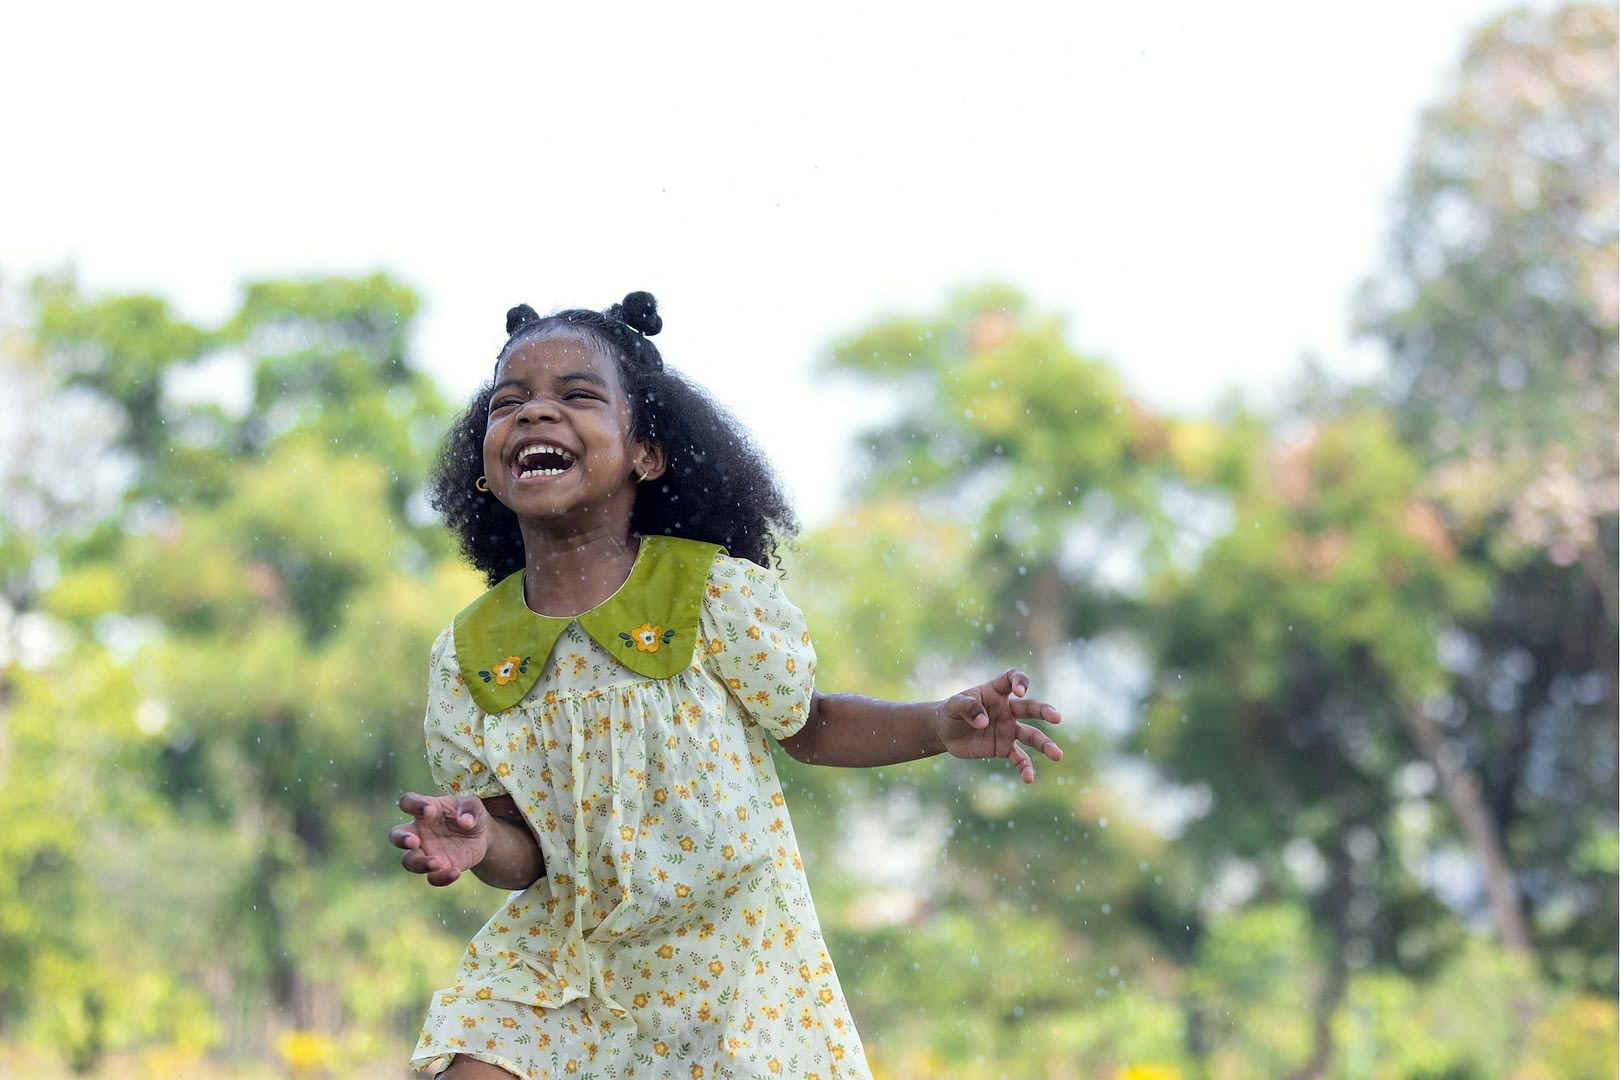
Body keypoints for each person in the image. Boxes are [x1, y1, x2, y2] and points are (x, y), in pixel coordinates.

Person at [390, 292, 1063, 1079]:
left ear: (647, 452)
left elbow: (809, 728)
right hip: (567, 958)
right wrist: (480, 840)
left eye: (577, 396)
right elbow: (523, 853)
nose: (537, 415)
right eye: (510, 404)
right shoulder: (470, 653)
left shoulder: (712, 597)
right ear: (485, 466)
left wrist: (937, 724)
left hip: (729, 963)